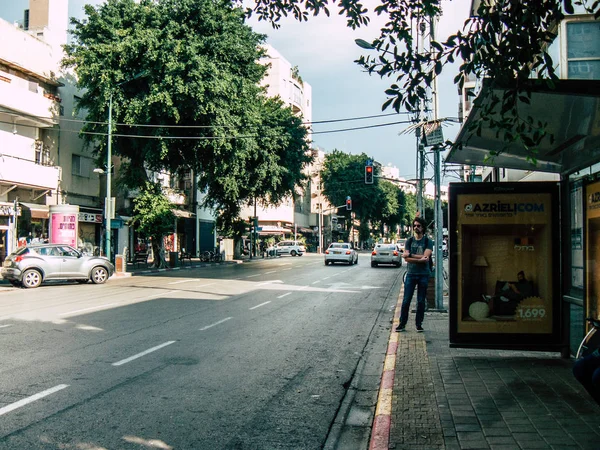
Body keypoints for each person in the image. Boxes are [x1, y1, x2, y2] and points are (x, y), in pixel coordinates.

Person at [396, 216, 433, 333]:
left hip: (423, 274)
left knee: (421, 301)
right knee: (406, 300)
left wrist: (411, 255)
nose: (416, 228)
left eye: (418, 226)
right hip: (411, 274)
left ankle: (419, 324)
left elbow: (426, 257)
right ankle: (402, 324)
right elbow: (406, 259)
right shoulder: (409, 241)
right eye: (414, 226)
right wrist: (419, 258)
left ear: (423, 228)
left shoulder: (428, 241)